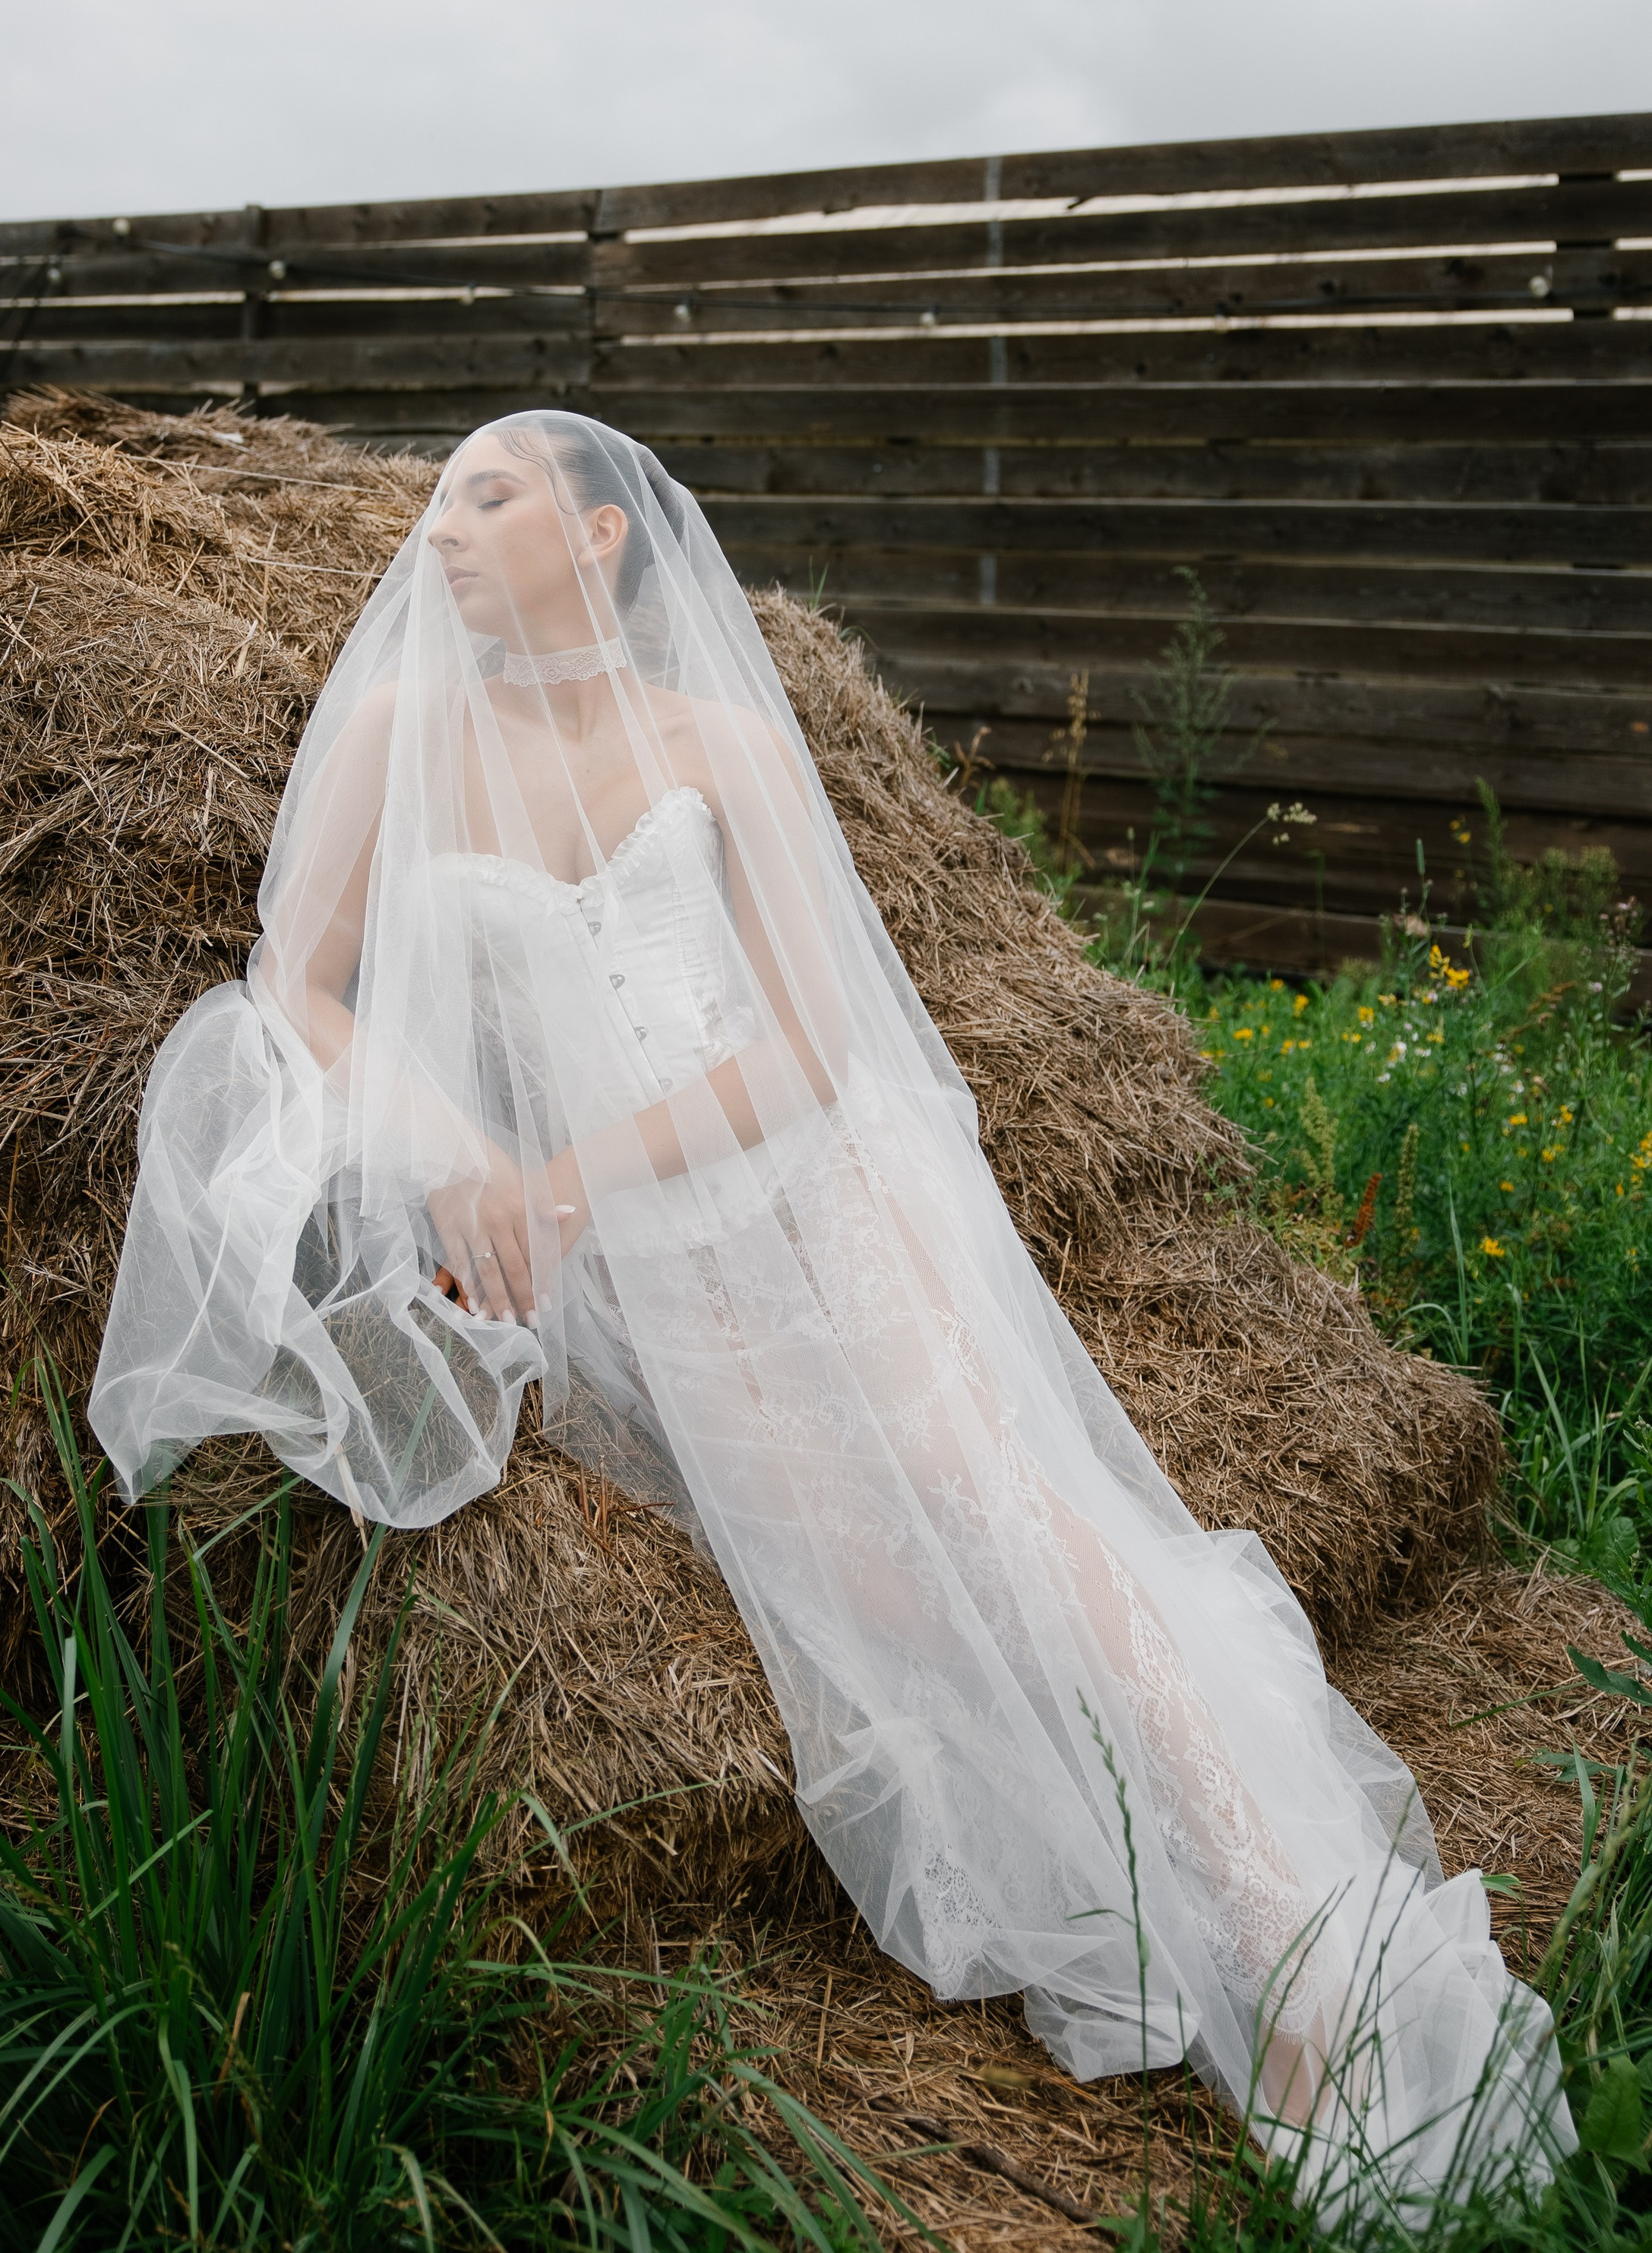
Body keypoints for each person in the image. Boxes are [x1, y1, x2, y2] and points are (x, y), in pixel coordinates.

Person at [90, 409, 1571, 2222]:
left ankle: (1302, 1964)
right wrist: (462, 1142)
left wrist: (562, 1180)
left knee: (1023, 1533)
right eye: (438, 500)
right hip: (648, 1274)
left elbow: (805, 1049)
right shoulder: (404, 733)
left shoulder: (715, 738)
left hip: (814, 1198)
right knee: (874, 1605)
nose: (443, 531)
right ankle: (1142, 1919)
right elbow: (292, 987)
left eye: (486, 494)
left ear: (605, 536)